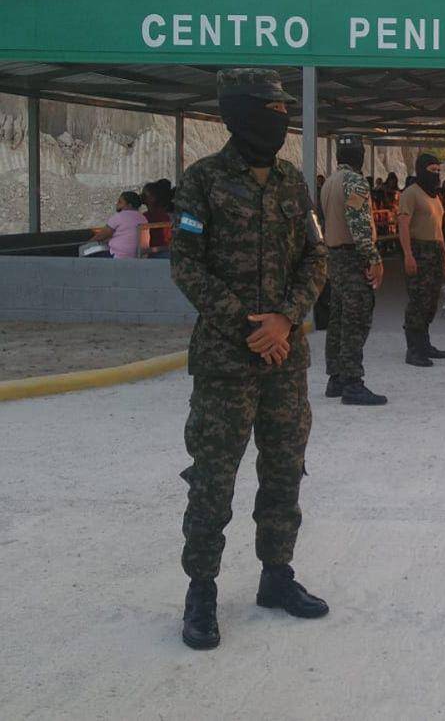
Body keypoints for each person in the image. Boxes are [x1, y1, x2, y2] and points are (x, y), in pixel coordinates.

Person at [170, 68, 329, 651]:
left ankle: (276, 576)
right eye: (272, 109)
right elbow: (185, 264)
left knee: (285, 471)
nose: (281, 119)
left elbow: (316, 258)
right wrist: (248, 325)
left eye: (285, 109)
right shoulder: (203, 182)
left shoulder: (293, 183)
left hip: (285, 359)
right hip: (225, 361)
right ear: (239, 115)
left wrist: (286, 318)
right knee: (213, 478)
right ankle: (202, 591)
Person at [320, 135, 387, 406]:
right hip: (352, 257)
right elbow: (359, 226)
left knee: (337, 319)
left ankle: (335, 377)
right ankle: (352, 382)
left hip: (334, 257)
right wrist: (373, 258)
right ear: (359, 155)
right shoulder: (355, 181)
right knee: (355, 320)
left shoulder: (329, 183)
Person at [391, 153, 445, 367]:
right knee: (418, 300)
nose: (436, 174)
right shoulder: (411, 194)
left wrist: (444, 252)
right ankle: (413, 349)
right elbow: (403, 225)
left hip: (434, 250)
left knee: (431, 300)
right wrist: (408, 255)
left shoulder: (434, 195)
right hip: (418, 249)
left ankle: (425, 344)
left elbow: (438, 227)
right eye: (432, 170)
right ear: (422, 170)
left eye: (438, 170)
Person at [87, 190, 149, 258]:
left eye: (120, 202)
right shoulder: (143, 218)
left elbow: (103, 234)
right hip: (137, 255)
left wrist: (88, 243)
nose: (117, 204)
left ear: (129, 205)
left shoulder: (120, 216)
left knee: (85, 252)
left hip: (118, 255)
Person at [141, 179, 174, 258]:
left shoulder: (146, 217)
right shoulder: (168, 215)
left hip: (155, 254)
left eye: (145, 195)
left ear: (152, 198)